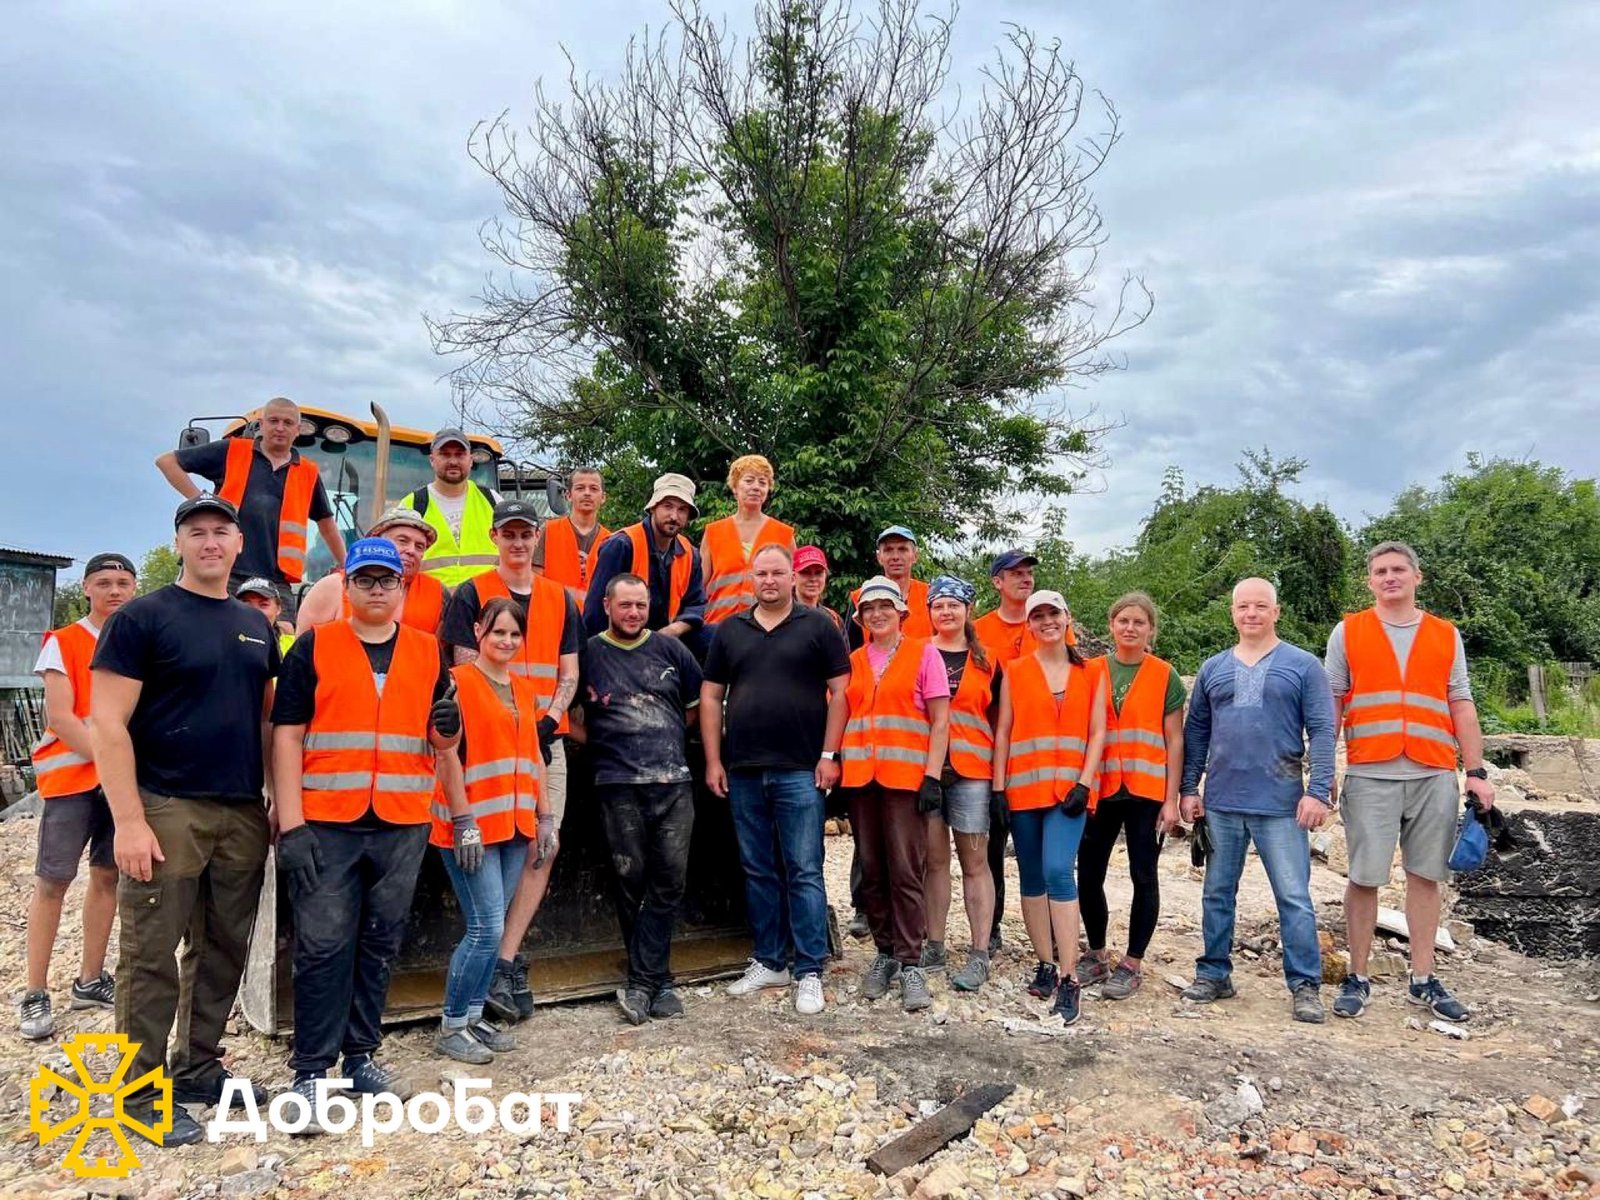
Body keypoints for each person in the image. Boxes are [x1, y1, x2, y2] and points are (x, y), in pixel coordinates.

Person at [90, 495, 280, 1146]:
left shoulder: (256, 626)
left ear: (235, 545)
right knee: (150, 954)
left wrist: (275, 802)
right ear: (179, 543)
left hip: (240, 810)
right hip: (167, 806)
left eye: (220, 532)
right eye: (195, 532)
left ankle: (197, 1065)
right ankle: (137, 1093)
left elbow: (264, 719)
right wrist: (129, 821)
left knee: (223, 947)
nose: (208, 542)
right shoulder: (142, 619)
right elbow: (107, 722)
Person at [270, 538, 459, 1123]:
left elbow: (440, 742)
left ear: (402, 588)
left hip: (401, 822)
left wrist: (449, 733)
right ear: (345, 586)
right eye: (366, 580)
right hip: (328, 822)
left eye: (387, 580)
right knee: (323, 944)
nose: (377, 589)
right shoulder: (314, 647)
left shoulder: (429, 652)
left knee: (380, 940)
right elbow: (288, 735)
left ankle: (361, 1057)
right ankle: (310, 1070)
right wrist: (293, 823)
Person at [1325, 541, 1493, 1023]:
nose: (1389, 577)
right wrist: (1322, 773)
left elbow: (1460, 702)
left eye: (1399, 569)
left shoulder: (1445, 634)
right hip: (1370, 770)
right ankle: (1358, 977)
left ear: (1418, 577)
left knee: (1426, 877)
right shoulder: (1349, 631)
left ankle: (1423, 979)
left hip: (1433, 771)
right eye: (1380, 571)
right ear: (1370, 581)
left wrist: (1476, 772)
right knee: (1364, 877)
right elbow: (1332, 702)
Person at [440, 499, 581, 1023]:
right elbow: (462, 664)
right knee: (489, 848)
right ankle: (480, 964)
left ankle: (503, 961)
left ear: (537, 537)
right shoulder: (471, 593)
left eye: (527, 534)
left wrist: (547, 720)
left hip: (541, 739)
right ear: (496, 536)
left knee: (541, 845)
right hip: (485, 744)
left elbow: (569, 670)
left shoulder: (559, 598)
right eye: (510, 533)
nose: (519, 542)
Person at [702, 544, 850, 1016]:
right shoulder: (730, 631)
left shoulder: (818, 627)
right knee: (758, 868)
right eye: (761, 573)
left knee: (804, 869)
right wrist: (713, 760)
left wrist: (829, 754)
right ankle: (770, 960)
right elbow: (710, 697)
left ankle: (809, 969)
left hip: (801, 770)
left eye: (778, 573)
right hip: (744, 769)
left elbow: (842, 694)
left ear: (792, 579)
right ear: (752, 579)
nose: (769, 580)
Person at [1179, 578, 1335, 1024]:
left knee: (1293, 897)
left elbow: (1323, 730)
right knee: (1216, 893)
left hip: (1283, 803)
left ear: (1276, 612)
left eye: (1260, 606)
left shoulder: (1303, 666)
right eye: (1243, 606)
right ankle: (1214, 973)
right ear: (1232, 612)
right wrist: (1190, 788)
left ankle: (1305, 984)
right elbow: (1197, 733)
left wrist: (1317, 790)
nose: (1251, 614)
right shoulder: (1214, 668)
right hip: (1223, 801)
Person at [575, 574, 703, 1025]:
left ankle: (648, 981)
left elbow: (694, 707)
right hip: (617, 785)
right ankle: (654, 981)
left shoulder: (672, 651)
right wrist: (601, 743)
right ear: (607, 605)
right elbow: (565, 710)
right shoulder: (589, 652)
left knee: (669, 882)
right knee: (631, 882)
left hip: (673, 783)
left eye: (641, 606)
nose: (633, 613)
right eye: (625, 605)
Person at [21, 552, 137, 1041]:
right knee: (53, 881)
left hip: (116, 784)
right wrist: (111, 763)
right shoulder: (64, 643)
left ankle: (90, 978)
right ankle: (34, 991)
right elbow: (63, 717)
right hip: (72, 782)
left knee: (107, 876)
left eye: (124, 583)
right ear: (86, 587)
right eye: (105, 582)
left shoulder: (136, 642)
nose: (115, 591)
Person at [430, 596, 550, 1063]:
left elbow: (534, 758)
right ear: (478, 631)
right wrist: (464, 823)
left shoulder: (524, 690)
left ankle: (475, 1015)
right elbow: (445, 756)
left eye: (514, 634)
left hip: (514, 825)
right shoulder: (456, 685)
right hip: (473, 825)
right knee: (485, 928)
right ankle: (453, 1024)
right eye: (497, 631)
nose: (506, 640)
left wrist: (545, 817)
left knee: (492, 929)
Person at [991, 590, 1106, 1026]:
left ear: (1066, 618)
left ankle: (1069, 975)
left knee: (1060, 870)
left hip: (1069, 793)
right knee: (1032, 876)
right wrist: (999, 788)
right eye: (1037, 616)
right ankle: (1044, 962)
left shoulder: (1091, 672)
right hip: (1023, 791)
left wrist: (1085, 781)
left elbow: (1097, 732)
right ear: (1030, 625)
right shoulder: (1016, 671)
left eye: (1052, 614)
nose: (1045, 622)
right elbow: (1003, 731)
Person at [840, 575, 950, 1013]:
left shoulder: (925, 654)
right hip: (862, 780)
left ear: (902, 612)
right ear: (861, 617)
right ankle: (883, 955)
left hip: (906, 781)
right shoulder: (854, 660)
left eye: (885, 606)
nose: (877, 614)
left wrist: (932, 776)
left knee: (906, 870)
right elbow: (845, 713)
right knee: (872, 870)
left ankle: (910, 961)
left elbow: (940, 721)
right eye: (869, 609)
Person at [1076, 593, 1186, 1000]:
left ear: (1150, 630)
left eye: (1139, 622)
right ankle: (1097, 952)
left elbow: (1175, 741)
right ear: (1111, 625)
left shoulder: (1165, 675)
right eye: (1123, 620)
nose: (1130, 628)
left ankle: (1132, 962)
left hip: (1145, 792)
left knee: (1144, 875)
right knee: (1089, 873)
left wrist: (1171, 799)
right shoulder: (1091, 671)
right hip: (1101, 788)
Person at [155, 397, 346, 605]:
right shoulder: (233, 451)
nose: (280, 428)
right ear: (262, 425)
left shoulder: (307, 473)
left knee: (286, 635)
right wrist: (203, 502)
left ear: (297, 430)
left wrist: (348, 566)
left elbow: (327, 524)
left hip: (276, 579)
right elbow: (167, 462)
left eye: (288, 423)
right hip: (225, 571)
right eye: (274, 421)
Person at [921, 575, 997, 993]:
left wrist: (1000, 782)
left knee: (974, 863)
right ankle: (934, 944)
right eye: (938, 605)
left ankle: (980, 951)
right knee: (933, 862)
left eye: (953, 604)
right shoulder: (918, 654)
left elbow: (1000, 721)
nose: (946, 612)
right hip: (929, 772)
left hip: (972, 772)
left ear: (967, 610)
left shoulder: (988, 661)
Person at [971, 548, 1047, 955]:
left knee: (1041, 847)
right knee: (993, 845)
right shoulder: (979, 629)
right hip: (993, 749)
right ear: (997, 582)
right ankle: (993, 924)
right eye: (1015, 573)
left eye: (1028, 572)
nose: (1025, 578)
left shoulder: (1049, 622)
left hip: (1042, 750)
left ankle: (1050, 925)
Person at [583, 473, 707, 645]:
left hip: (666, 640)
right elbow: (595, 612)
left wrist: (673, 630)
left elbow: (696, 604)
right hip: (622, 640)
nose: (674, 516)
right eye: (668, 506)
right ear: (653, 508)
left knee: (716, 636)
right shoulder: (621, 545)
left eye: (682, 509)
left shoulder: (690, 554)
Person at [295, 507, 447, 636]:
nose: (411, 550)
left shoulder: (438, 593)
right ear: (376, 540)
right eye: (402, 541)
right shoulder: (332, 587)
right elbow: (303, 657)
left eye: (420, 546)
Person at [398, 427, 502, 588]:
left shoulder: (493, 501)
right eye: (445, 454)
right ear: (432, 459)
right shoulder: (411, 506)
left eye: (459, 454)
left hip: (485, 606)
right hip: (433, 606)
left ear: (471, 459)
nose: (453, 461)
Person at [700, 454, 796, 625]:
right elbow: (698, 586)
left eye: (762, 482)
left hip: (769, 629)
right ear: (735, 486)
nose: (756, 487)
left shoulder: (784, 534)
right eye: (749, 480)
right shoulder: (713, 532)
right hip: (718, 627)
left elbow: (795, 586)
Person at [534, 467, 610, 600]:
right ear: (568, 495)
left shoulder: (611, 540)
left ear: (603, 497)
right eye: (580, 488)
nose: (587, 493)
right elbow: (534, 580)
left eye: (593, 489)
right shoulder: (548, 531)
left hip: (595, 619)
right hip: (555, 615)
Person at [848, 527, 932, 645]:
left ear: (915, 556)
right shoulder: (860, 598)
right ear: (879, 557)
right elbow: (851, 650)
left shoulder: (930, 595)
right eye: (888, 550)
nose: (895, 557)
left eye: (902, 549)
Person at [973, 549, 1041, 666]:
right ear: (997, 582)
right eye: (1018, 574)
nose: (1027, 580)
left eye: (1030, 573)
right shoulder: (976, 631)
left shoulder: (1051, 625)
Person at [237, 577, 296, 655]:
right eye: (247, 604)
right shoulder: (224, 640)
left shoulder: (293, 647)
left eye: (263, 605)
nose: (255, 611)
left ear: (278, 609)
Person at [794, 545, 846, 632]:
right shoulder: (780, 616)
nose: (813, 579)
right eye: (805, 572)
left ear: (825, 576)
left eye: (818, 573)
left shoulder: (833, 619)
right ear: (793, 577)